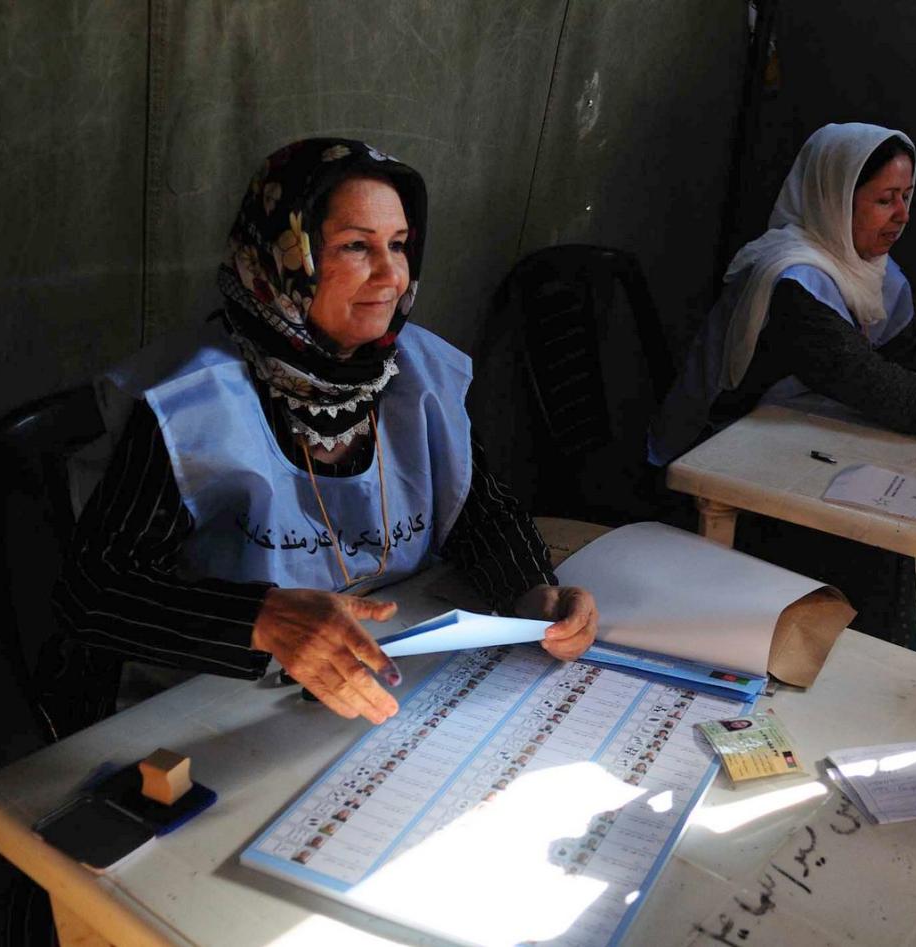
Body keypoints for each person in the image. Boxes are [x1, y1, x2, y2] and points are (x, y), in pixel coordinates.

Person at [50, 138, 598, 728]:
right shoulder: (192, 404)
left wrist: (532, 591)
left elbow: (479, 513)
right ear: (284, 258)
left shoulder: (419, 373)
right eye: (356, 246)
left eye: (398, 245)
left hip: (384, 680)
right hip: (219, 704)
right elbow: (93, 592)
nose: (391, 275)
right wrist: (262, 619)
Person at [648, 122, 916, 468]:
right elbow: (864, 378)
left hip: (789, 432)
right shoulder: (793, 280)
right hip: (720, 447)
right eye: (885, 200)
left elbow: (912, 339)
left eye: (906, 196)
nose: (903, 215)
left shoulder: (862, 263)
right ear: (834, 201)